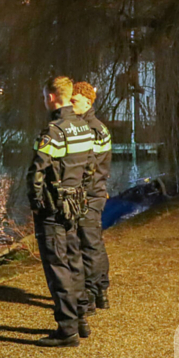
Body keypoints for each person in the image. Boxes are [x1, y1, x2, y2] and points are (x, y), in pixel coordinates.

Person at [28, 76, 95, 347]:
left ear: (53, 97)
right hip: (75, 203)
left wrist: (36, 203)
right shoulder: (83, 127)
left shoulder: (53, 131)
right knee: (75, 260)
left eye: (46, 96)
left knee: (57, 265)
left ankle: (66, 329)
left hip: (54, 207)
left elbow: (36, 171)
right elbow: (90, 167)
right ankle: (81, 319)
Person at [71, 81, 112, 314]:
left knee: (88, 244)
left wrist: (83, 192)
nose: (71, 104)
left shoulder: (90, 129)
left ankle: (90, 293)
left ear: (88, 101)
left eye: (75, 100)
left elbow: (89, 167)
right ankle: (101, 291)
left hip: (89, 194)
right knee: (94, 241)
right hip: (96, 192)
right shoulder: (98, 127)